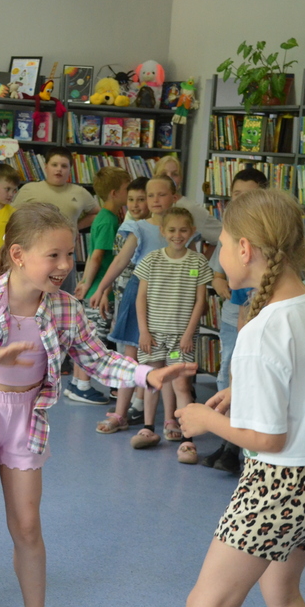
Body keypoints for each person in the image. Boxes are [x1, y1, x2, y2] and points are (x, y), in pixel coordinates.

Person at [0, 204, 187, 607]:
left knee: (28, 527)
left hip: (27, 419)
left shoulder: (65, 308)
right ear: (18, 255)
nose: (66, 265)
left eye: (70, 254)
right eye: (54, 255)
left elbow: (98, 359)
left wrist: (147, 375)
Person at [174, 188, 305, 607]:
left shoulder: (261, 329)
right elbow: (303, 377)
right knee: (282, 593)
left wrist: (205, 419)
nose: (218, 255)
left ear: (245, 249)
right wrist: (243, 389)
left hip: (279, 486)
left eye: (221, 244)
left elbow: (268, 440)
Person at [88, 175, 174, 433]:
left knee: (162, 359)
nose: (155, 200)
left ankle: (164, 417)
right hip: (139, 294)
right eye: (151, 195)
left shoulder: (179, 228)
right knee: (130, 357)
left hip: (168, 298)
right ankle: (119, 413)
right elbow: (119, 261)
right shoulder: (139, 228)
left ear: (174, 197)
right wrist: (101, 287)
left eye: (161, 195)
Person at [132, 207, 212, 460]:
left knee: (181, 384)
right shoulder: (151, 260)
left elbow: (201, 301)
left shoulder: (198, 262)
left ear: (192, 232)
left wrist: (189, 334)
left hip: (181, 337)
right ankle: (148, 428)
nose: (178, 235)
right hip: (154, 334)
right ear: (163, 231)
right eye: (172, 230)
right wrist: (143, 331)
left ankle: (187, 440)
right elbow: (140, 298)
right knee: (152, 380)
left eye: (183, 230)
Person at [202, 168, 266, 473]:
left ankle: (238, 445)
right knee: (226, 375)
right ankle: (228, 442)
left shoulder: (265, 237)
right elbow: (217, 273)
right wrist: (221, 284)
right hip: (232, 317)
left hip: (256, 320)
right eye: (237, 195)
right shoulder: (228, 231)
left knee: (249, 381)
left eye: (249, 195)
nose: (241, 201)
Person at [68, 166, 132, 405]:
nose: (130, 192)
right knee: (95, 341)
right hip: (101, 290)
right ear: (115, 193)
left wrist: (87, 282)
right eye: (127, 189)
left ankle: (77, 383)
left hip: (96, 287)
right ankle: (83, 386)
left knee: (87, 338)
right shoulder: (108, 220)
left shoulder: (108, 217)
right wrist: (87, 284)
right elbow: (97, 256)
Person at [12, 147, 99, 294]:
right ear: (46, 167)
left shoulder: (79, 192)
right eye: (54, 165)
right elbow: (14, 218)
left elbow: (96, 213)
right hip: (34, 253)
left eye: (64, 166)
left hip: (65, 255)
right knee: (30, 296)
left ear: (70, 169)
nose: (59, 169)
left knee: (63, 297)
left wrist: (75, 226)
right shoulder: (29, 189)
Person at [154, 154, 221, 246]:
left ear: (181, 178)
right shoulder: (150, 204)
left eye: (175, 174)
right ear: (154, 177)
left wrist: (203, 256)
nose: (169, 178)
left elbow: (221, 238)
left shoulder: (191, 208)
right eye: (163, 174)